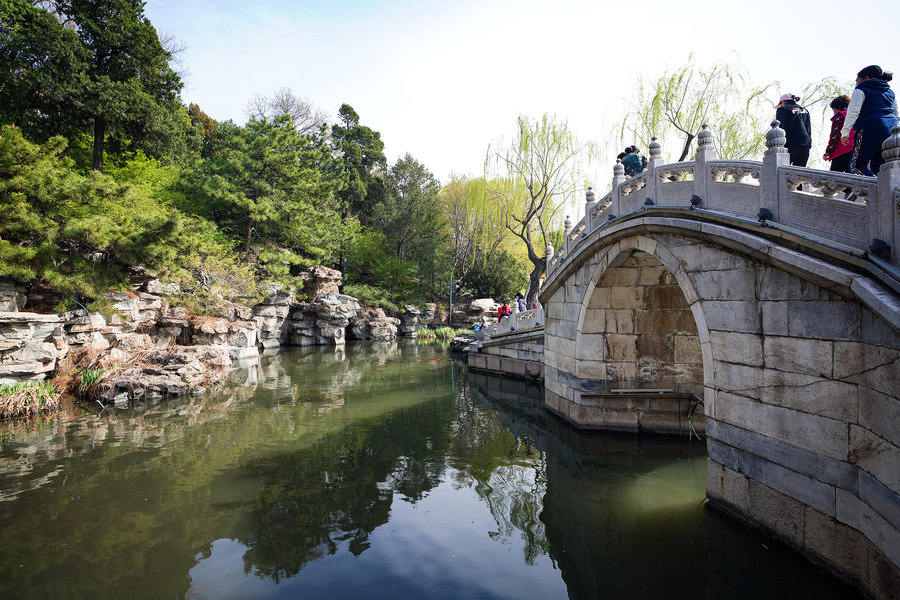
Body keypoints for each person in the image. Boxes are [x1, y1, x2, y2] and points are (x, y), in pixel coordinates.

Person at [841, 65, 899, 177]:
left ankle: (875, 185)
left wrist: (845, 132)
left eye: (857, 79)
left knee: (855, 166)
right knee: (879, 168)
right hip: (892, 128)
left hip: (871, 125)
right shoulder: (889, 91)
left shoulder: (861, 89)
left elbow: (853, 112)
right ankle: (882, 186)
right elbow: (895, 113)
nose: (856, 82)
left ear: (866, 77)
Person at [775, 93, 812, 167]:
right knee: (799, 171)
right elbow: (808, 129)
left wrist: (778, 145)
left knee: (783, 169)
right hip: (805, 144)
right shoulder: (804, 110)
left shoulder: (783, 109)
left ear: (783, 101)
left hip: (790, 144)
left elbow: (780, 128)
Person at [824, 95, 855, 174]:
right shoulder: (854, 115)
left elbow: (834, 135)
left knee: (833, 177)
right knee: (851, 176)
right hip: (855, 149)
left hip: (842, 150)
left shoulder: (840, 116)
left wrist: (828, 152)